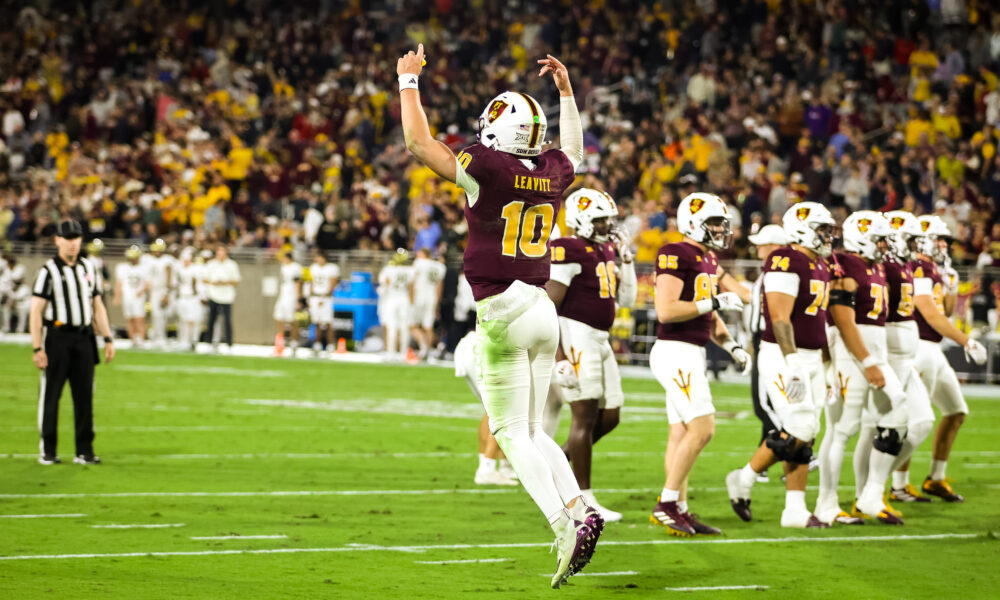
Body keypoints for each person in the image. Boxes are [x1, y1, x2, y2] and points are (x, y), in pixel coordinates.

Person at [397, 44, 599, 588]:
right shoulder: (554, 171)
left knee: (511, 432)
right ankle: (582, 508)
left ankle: (564, 525)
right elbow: (574, 152)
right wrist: (566, 93)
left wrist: (408, 82)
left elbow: (419, 142)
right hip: (541, 304)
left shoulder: (484, 167)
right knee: (535, 428)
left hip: (503, 308)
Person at [725, 202, 835, 528]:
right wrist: (793, 361)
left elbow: (820, 321)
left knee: (808, 431)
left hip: (812, 355)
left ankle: (794, 509)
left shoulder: (819, 264)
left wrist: (827, 366)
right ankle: (744, 480)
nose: (828, 236)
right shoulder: (785, 259)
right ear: (802, 229)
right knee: (799, 427)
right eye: (821, 229)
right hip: (784, 353)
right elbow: (780, 317)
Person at [649, 192, 749, 536]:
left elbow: (711, 318)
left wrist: (733, 346)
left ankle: (679, 507)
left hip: (690, 351)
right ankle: (666, 503)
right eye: (715, 223)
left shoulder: (705, 258)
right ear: (694, 223)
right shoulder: (675, 253)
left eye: (723, 223)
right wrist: (716, 301)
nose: (721, 229)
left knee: (680, 433)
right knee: (703, 428)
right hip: (675, 351)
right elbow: (667, 310)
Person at [546, 188, 637, 522]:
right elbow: (548, 306)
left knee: (610, 416)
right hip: (575, 335)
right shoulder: (568, 249)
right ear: (581, 218)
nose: (607, 225)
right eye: (600, 219)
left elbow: (627, 300)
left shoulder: (607, 249)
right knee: (583, 417)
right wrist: (559, 356)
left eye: (608, 219)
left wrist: (626, 261)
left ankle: (555, 470)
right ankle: (582, 500)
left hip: (600, 339)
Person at [814, 211, 906, 525]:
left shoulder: (874, 265)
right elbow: (842, 318)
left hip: (872, 352)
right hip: (851, 354)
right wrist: (866, 362)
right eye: (879, 238)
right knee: (842, 430)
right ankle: (825, 504)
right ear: (863, 236)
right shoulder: (846, 264)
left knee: (899, 414)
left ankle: (870, 495)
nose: (884, 245)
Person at [904, 215, 987, 502]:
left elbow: (947, 311)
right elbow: (929, 313)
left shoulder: (935, 269)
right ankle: (898, 485)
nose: (945, 245)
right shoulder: (917, 267)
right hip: (917, 346)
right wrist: (965, 340)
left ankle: (935, 478)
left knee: (955, 411)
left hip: (933, 349)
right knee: (913, 420)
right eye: (940, 239)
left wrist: (951, 284)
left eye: (947, 240)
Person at [29, 220, 115, 465]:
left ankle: (84, 450)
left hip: (84, 337)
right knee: (51, 395)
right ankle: (48, 450)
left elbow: (97, 305)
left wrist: (107, 338)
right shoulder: (48, 271)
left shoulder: (88, 267)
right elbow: (36, 311)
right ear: (57, 240)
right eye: (68, 238)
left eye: (77, 238)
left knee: (85, 395)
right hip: (57, 337)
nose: (73, 243)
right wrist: (37, 347)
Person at [741, 224, 790, 483]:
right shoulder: (771, 273)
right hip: (767, 340)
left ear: (774, 247)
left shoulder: (777, 273)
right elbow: (751, 298)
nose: (758, 248)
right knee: (770, 403)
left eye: (762, 244)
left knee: (763, 406)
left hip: (770, 341)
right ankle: (763, 466)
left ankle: (796, 443)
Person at [454, 330, 519, 486]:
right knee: (501, 409)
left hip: (470, 345)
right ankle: (487, 469)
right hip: (486, 348)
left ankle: (498, 466)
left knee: (491, 409)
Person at [377, 249, 415, 362]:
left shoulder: (389, 270)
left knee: (392, 326)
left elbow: (385, 284)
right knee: (404, 327)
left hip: (392, 298)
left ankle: (391, 352)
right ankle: (403, 352)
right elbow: (411, 288)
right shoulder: (410, 271)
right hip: (404, 299)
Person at [410, 248, 446, 360]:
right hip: (432, 298)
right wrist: (437, 302)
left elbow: (412, 281)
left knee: (412, 325)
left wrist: (411, 298)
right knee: (428, 327)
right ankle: (429, 352)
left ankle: (423, 347)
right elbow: (440, 287)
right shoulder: (440, 266)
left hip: (419, 297)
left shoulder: (419, 263)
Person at [203, 244, 241, 353]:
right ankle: (209, 343)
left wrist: (225, 282)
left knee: (227, 321)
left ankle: (229, 344)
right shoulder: (211, 264)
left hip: (227, 296)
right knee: (211, 320)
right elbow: (205, 279)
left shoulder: (232, 265)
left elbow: (236, 281)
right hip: (213, 295)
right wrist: (214, 282)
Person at [113, 245, 150, 346]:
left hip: (138, 297)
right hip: (127, 296)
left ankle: (141, 339)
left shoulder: (144, 267)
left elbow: (148, 283)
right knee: (129, 319)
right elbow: (119, 283)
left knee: (140, 319)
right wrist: (117, 296)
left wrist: (141, 291)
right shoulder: (122, 267)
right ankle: (133, 339)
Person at [306, 250, 340, 356]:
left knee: (328, 322)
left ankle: (330, 344)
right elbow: (312, 282)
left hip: (326, 297)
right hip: (315, 297)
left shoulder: (331, 268)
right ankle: (317, 344)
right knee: (316, 322)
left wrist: (324, 297)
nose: (318, 259)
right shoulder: (313, 268)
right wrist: (310, 296)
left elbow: (333, 283)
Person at [272, 251, 304, 357]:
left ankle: (294, 344)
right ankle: (280, 343)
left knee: (292, 320)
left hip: (292, 295)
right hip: (283, 293)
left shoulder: (296, 267)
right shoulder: (283, 267)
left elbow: (298, 283)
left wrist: (299, 299)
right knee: (278, 317)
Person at [145, 238, 175, 347]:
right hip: (152, 290)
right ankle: (156, 335)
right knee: (155, 314)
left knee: (163, 314)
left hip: (162, 290)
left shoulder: (167, 260)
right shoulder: (148, 259)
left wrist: (166, 293)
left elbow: (169, 277)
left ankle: (162, 337)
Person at [175, 247, 205, 351]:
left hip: (193, 298)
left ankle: (193, 341)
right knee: (183, 320)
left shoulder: (196, 269)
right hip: (183, 297)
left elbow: (199, 284)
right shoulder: (179, 269)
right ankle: (184, 341)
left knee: (193, 320)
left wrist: (202, 296)